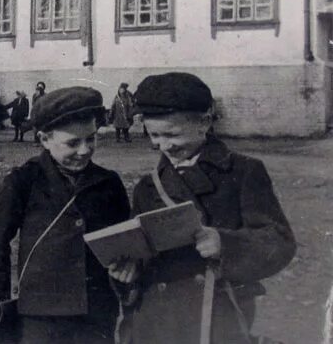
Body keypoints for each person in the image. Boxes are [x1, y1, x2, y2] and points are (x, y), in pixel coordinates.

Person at [110, 72, 296, 343]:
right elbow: (139, 246)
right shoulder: (147, 186)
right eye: (154, 135)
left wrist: (226, 244)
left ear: (205, 123)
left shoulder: (243, 171)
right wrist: (129, 271)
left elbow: (279, 241)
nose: (164, 145)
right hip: (157, 317)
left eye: (172, 134)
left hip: (219, 313)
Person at [0, 87, 131, 343]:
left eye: (91, 139)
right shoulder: (24, 181)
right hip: (40, 313)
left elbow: (126, 241)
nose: (84, 150)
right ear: (44, 139)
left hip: (96, 312)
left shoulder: (109, 183)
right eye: (72, 143)